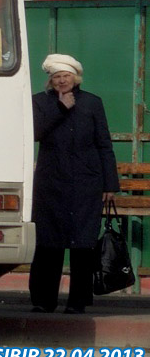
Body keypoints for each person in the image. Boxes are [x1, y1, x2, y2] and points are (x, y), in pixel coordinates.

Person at [29, 53, 119, 314]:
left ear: (75, 77)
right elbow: (35, 133)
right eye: (56, 77)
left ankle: (78, 301)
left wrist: (109, 185)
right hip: (50, 184)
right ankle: (44, 301)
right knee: (48, 245)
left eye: (65, 76)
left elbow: (104, 144)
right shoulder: (40, 102)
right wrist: (60, 108)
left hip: (85, 184)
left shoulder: (92, 103)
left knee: (82, 245)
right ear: (50, 80)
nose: (61, 81)